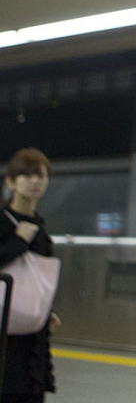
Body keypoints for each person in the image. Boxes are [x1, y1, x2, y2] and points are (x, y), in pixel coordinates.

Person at [1, 148, 58, 403]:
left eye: (41, 175)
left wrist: (46, 311)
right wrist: (18, 241)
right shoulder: (3, 222)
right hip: (2, 334)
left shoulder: (40, 227)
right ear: (10, 182)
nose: (36, 181)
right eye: (27, 175)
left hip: (32, 336)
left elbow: (38, 279)